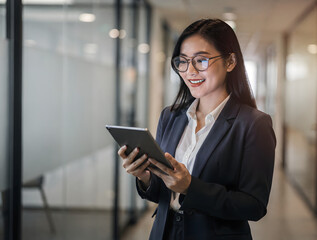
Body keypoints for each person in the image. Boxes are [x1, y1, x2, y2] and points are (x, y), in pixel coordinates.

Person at [118, 18, 276, 240]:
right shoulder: (170, 116)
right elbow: (162, 193)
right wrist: (144, 175)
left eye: (201, 60)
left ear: (230, 62)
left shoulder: (253, 124)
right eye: (182, 61)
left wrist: (190, 187)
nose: (189, 71)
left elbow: (254, 206)